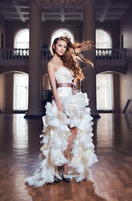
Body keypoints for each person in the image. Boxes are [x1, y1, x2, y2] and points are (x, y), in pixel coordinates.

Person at [25, 36, 98, 187]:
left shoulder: (67, 61)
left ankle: (64, 169)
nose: (62, 49)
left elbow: (73, 82)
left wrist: (76, 94)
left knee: (73, 133)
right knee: (63, 135)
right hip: (62, 100)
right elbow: (53, 86)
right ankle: (61, 171)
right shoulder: (51, 64)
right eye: (60, 46)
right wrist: (58, 103)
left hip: (72, 99)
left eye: (64, 46)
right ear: (54, 46)